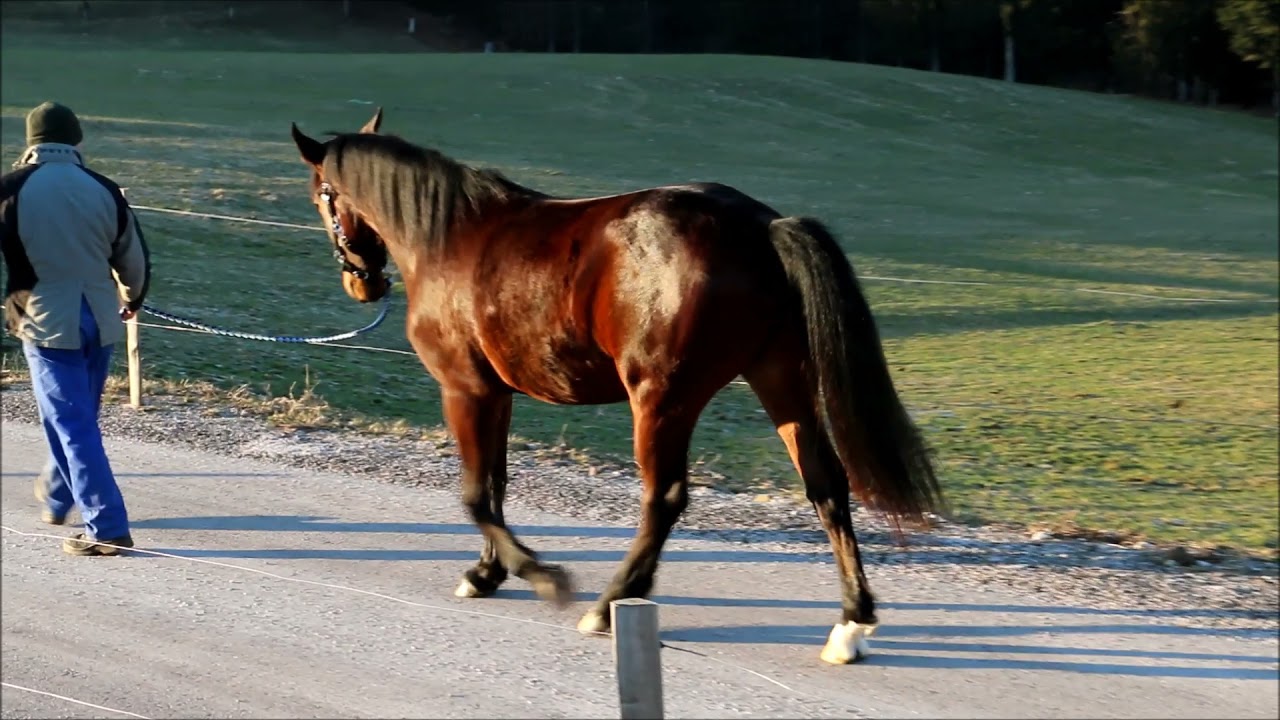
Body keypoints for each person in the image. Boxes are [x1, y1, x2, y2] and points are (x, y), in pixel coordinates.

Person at [0, 101, 151, 556]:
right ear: (76, 141)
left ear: (31, 142)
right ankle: (59, 493)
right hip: (101, 318)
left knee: (72, 423)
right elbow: (133, 258)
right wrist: (130, 300)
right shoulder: (103, 188)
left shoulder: (10, 188)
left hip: (44, 317)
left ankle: (105, 526)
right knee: (76, 416)